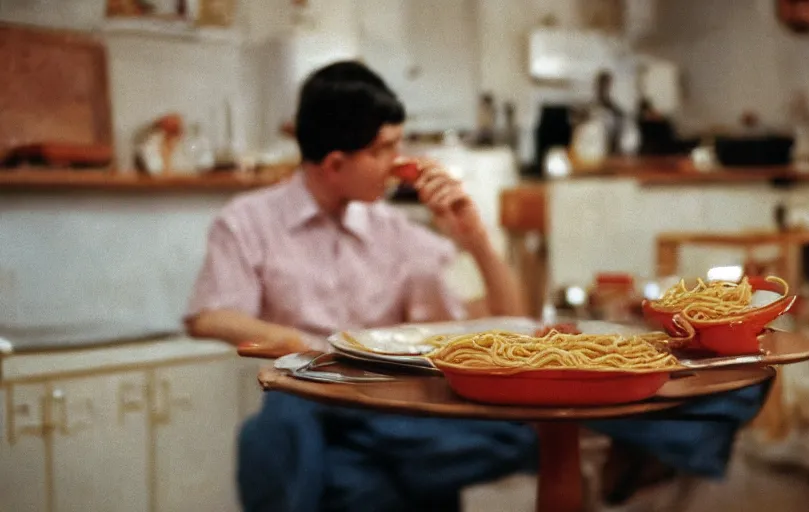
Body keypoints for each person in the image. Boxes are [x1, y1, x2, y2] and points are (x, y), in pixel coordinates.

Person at [186, 60, 767, 511]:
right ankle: (627, 443)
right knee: (281, 426)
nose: (399, 161)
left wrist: (476, 238)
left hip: (402, 403)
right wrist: (302, 341)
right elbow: (210, 314)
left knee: (408, 445)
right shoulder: (248, 220)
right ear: (335, 163)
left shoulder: (394, 229)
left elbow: (508, 319)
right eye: (384, 148)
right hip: (320, 395)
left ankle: (633, 428)